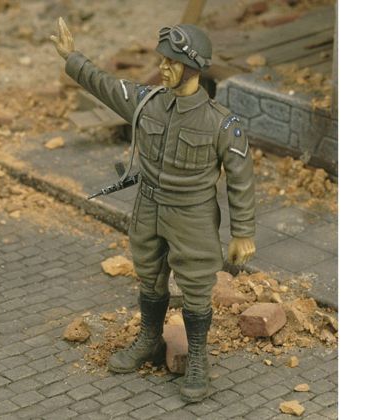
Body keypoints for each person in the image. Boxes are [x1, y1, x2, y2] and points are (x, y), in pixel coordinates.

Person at [51, 18, 256, 402]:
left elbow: (241, 179)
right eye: (162, 59)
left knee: (196, 287)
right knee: (149, 275)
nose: (163, 67)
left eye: (172, 62)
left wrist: (243, 232)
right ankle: (149, 338)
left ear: (193, 67)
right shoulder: (147, 102)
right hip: (148, 207)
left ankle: (198, 357)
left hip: (192, 215)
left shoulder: (222, 123)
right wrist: (72, 58)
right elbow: (106, 85)